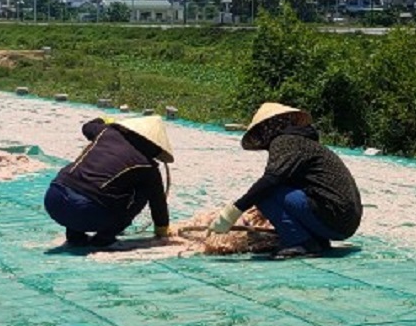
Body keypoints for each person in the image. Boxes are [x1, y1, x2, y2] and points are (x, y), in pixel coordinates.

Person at [210, 103, 363, 259]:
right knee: (277, 189)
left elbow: (270, 180)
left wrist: (233, 212)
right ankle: (316, 241)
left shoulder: (285, 141)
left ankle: (300, 242)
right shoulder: (305, 144)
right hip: (344, 223)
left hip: (334, 217)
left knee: (265, 194)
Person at [44, 115, 174, 248]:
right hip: (88, 212)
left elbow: (87, 127)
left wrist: (105, 120)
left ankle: (75, 236)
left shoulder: (106, 132)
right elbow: (158, 203)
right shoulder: (148, 167)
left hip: (54, 199)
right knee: (143, 192)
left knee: (79, 183)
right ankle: (104, 238)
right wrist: (162, 230)